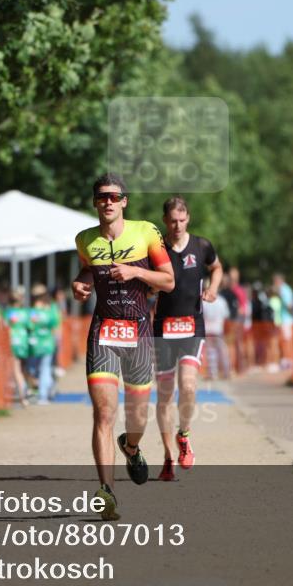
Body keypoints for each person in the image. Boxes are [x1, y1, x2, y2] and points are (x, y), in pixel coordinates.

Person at [72, 173, 174, 520]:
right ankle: (107, 492)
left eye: (114, 197)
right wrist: (81, 284)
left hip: (139, 331)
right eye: (102, 197)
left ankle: (131, 446)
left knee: (137, 415)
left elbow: (169, 280)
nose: (108, 202)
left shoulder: (146, 232)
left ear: (124, 201)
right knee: (104, 413)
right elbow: (87, 271)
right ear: (95, 201)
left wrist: (136, 273)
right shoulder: (85, 239)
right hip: (103, 331)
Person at [152, 196, 222, 481]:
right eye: (172, 221)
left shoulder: (202, 245)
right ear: (165, 222)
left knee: (189, 386)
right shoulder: (156, 249)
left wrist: (214, 288)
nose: (177, 225)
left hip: (192, 325)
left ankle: (184, 434)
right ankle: (168, 456)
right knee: (165, 394)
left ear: (188, 218)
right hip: (163, 328)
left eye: (182, 220)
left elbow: (216, 268)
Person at [27, 284, 60, 405]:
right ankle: (46, 390)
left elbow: (29, 326)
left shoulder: (33, 311)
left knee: (37, 369)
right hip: (45, 344)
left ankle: (42, 395)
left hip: (38, 344)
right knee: (40, 369)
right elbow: (55, 325)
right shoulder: (50, 309)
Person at [4, 288, 31, 405]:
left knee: (16, 370)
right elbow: (30, 326)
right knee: (22, 368)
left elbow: (3, 326)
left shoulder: (8, 312)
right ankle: (25, 390)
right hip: (23, 342)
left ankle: (23, 395)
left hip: (12, 342)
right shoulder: (25, 313)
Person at [201, 278, 232, 381]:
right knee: (221, 351)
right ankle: (226, 372)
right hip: (218, 328)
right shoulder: (221, 301)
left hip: (209, 329)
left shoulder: (204, 301)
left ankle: (213, 373)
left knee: (211, 352)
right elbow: (226, 315)